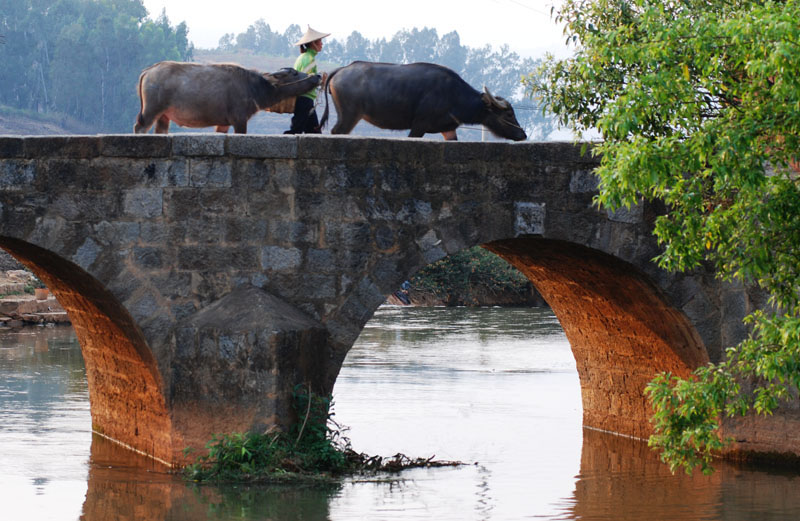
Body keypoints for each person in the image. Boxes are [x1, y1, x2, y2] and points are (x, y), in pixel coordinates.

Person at [284, 26, 330, 134]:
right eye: (320, 41)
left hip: (306, 100)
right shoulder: (309, 59)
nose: (322, 44)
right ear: (313, 43)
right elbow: (306, 80)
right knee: (295, 131)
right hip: (304, 100)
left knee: (314, 134)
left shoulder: (303, 57)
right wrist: (320, 79)